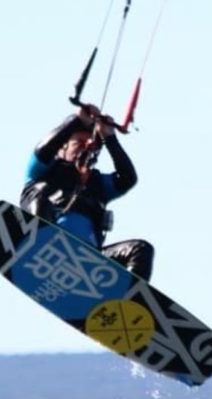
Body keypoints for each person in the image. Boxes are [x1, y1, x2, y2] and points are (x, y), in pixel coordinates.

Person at [20, 103, 155, 280]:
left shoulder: (99, 183)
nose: (86, 148)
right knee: (41, 191)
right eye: (79, 143)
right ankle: (42, 243)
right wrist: (76, 120)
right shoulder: (42, 171)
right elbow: (44, 150)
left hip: (87, 261)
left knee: (141, 249)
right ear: (63, 147)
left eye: (90, 146)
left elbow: (128, 178)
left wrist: (109, 137)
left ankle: (128, 299)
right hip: (45, 247)